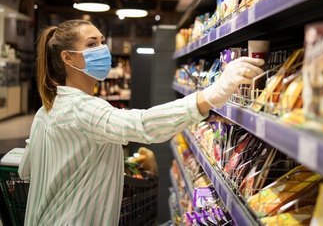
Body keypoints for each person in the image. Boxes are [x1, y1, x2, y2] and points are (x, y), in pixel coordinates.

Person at [18, 19, 264, 225]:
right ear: (68, 59)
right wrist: (209, 96)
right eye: (91, 44)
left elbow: (25, 169)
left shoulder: (47, 110)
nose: (102, 49)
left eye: (102, 41)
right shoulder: (83, 108)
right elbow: (143, 125)